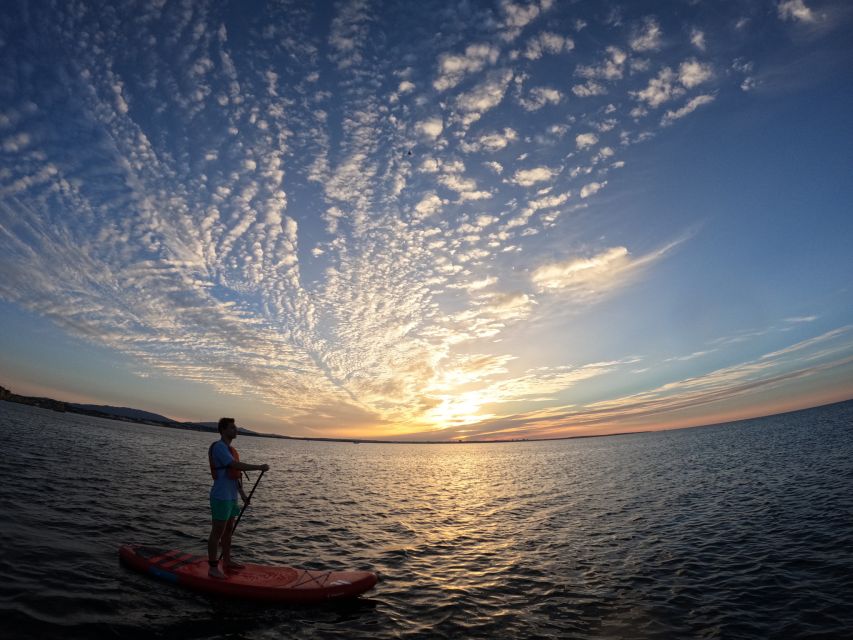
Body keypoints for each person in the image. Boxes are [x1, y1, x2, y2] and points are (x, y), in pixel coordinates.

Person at [207, 417, 269, 578]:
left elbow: (235, 476)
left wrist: (243, 496)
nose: (236, 430)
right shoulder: (219, 448)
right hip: (220, 497)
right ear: (223, 430)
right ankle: (213, 568)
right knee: (217, 533)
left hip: (232, 497)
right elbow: (234, 466)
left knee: (228, 532)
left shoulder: (231, 450)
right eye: (232, 428)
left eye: (236, 427)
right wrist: (258, 467)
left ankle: (227, 561)